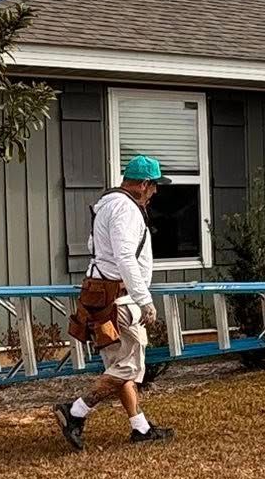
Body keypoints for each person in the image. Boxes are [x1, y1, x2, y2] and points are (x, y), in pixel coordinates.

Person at [54, 153, 175, 452]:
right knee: (129, 367)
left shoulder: (106, 205)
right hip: (120, 300)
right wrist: (144, 300)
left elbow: (96, 247)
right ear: (144, 184)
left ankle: (140, 428)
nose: (156, 192)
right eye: (154, 186)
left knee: (119, 368)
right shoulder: (127, 209)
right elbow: (123, 257)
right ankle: (75, 411)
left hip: (102, 298)